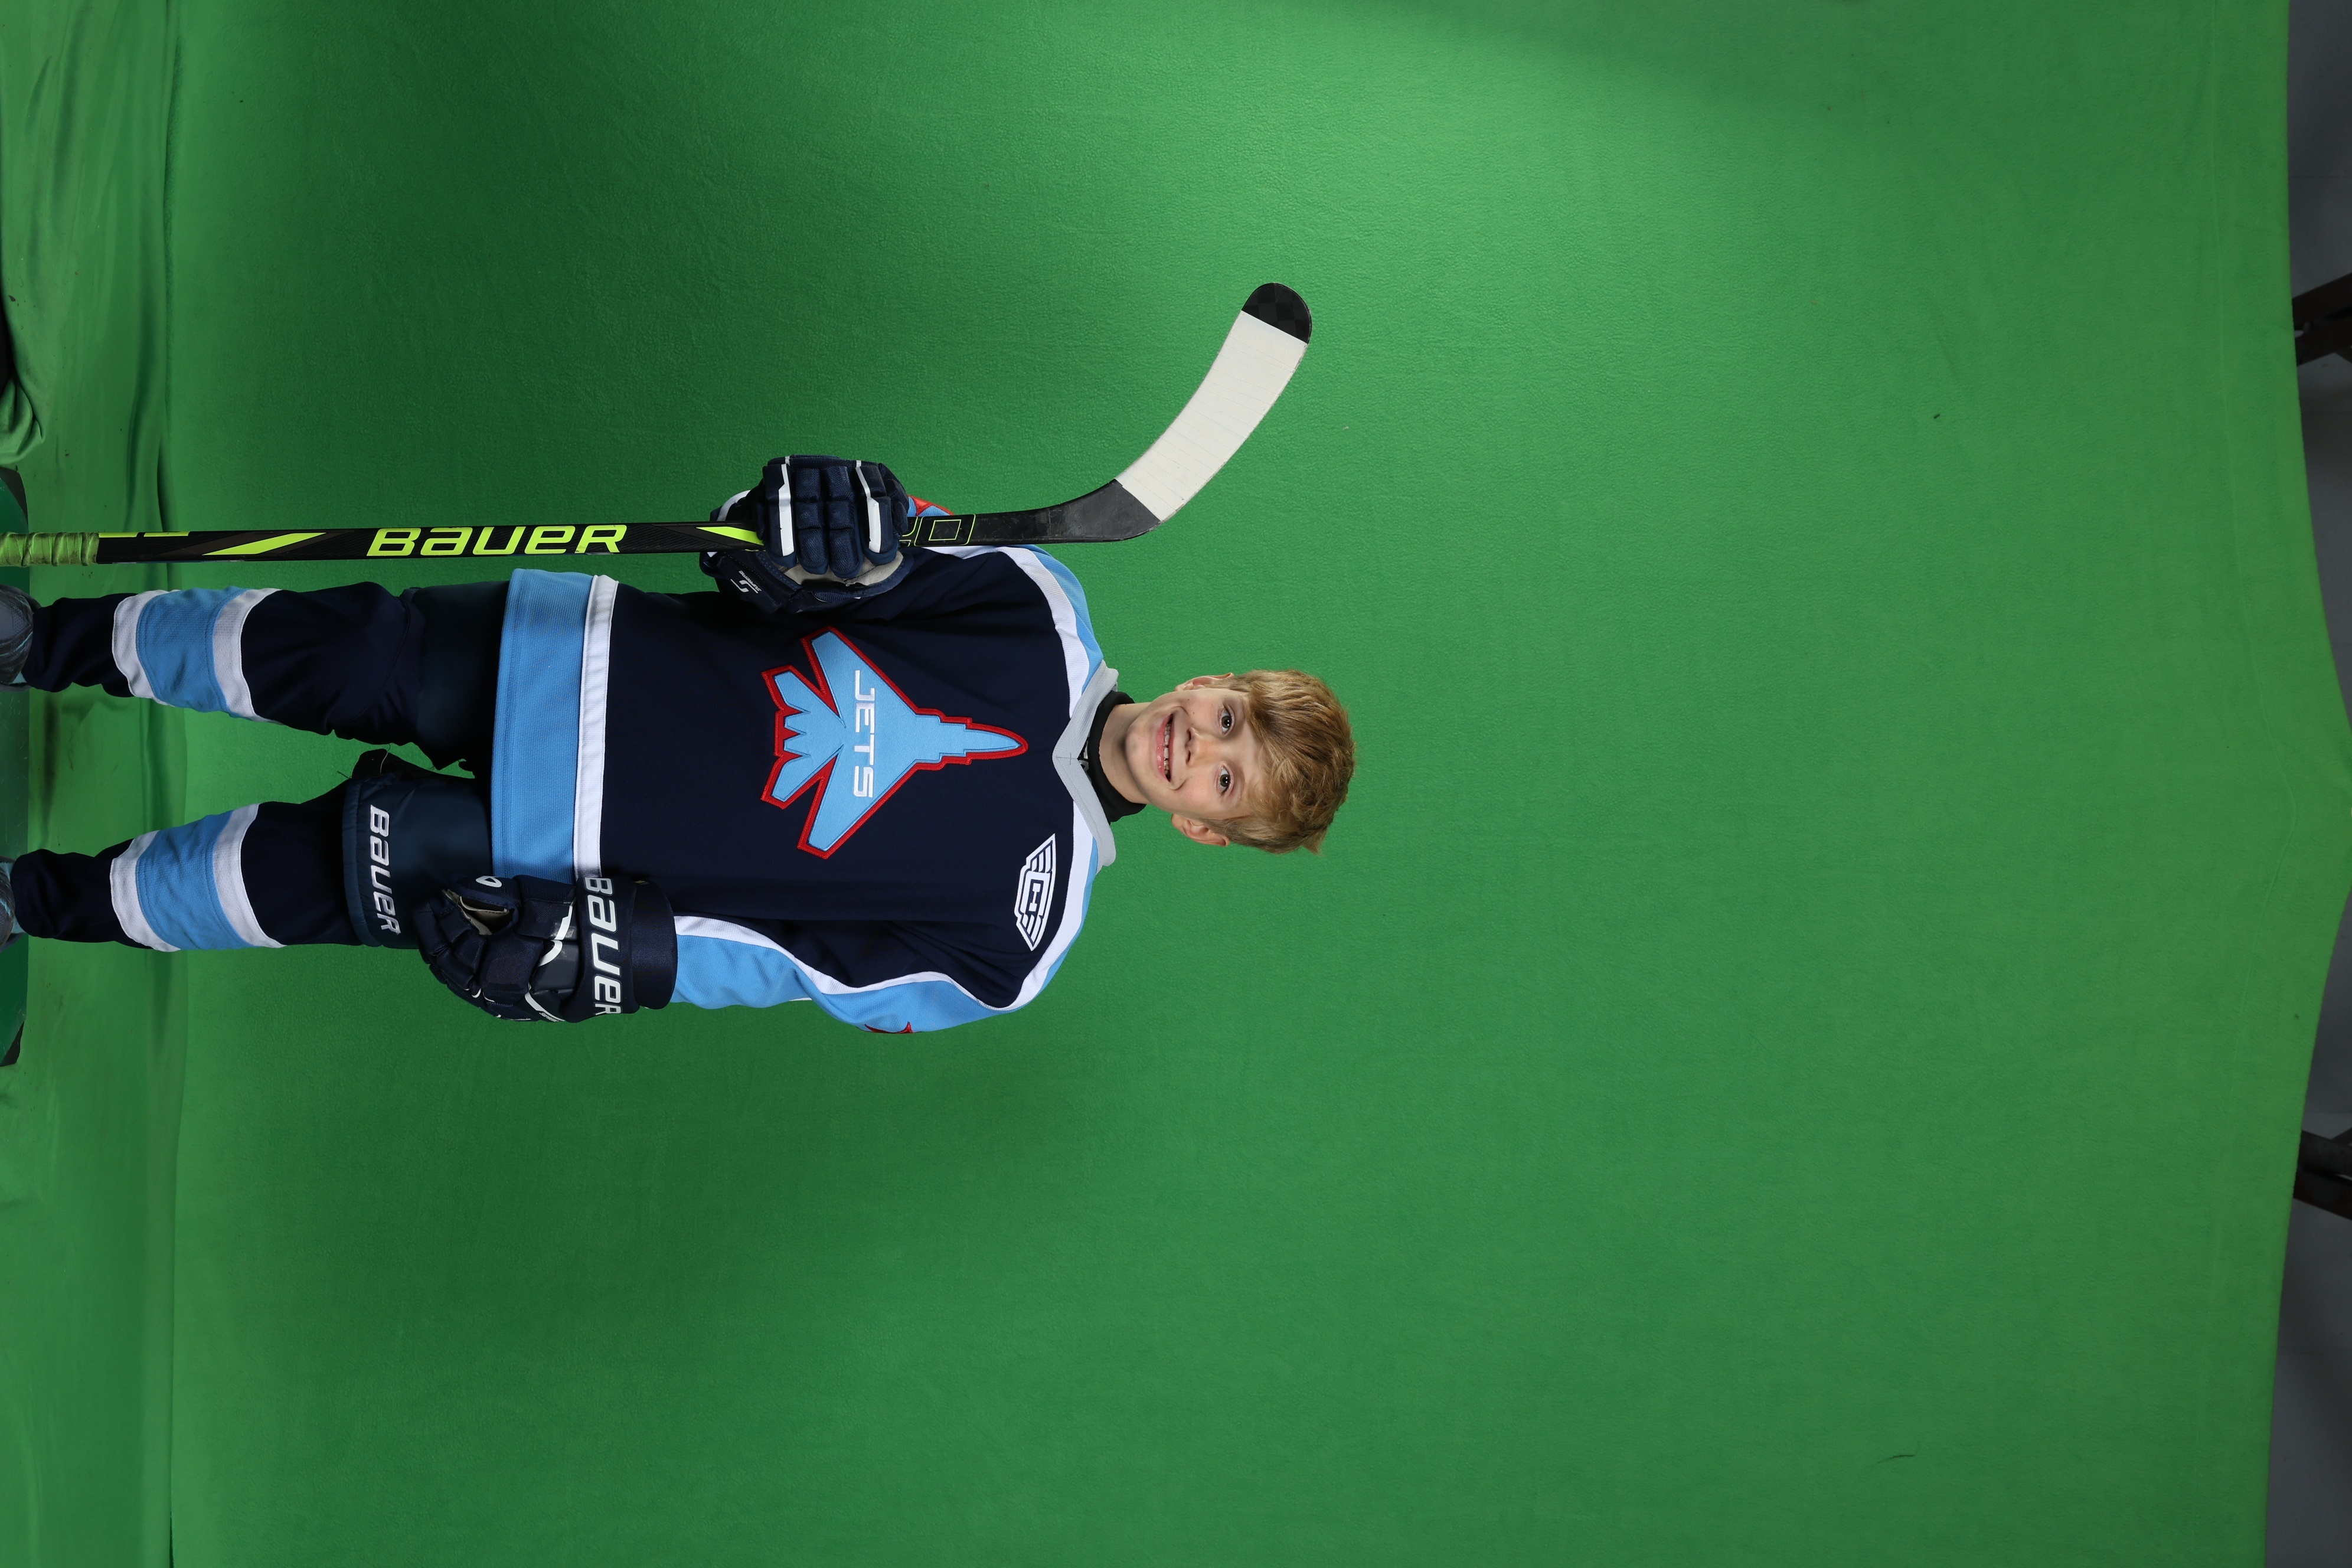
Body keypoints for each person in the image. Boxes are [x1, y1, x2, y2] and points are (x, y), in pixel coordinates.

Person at [0, 457, 1354, 1030]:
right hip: (575, 656)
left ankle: (27, 899)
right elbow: (796, 554)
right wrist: (807, 526)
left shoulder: (1020, 942)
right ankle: (38, 641)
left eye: (1225, 778)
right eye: (1227, 713)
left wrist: (628, 955)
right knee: (326, 646)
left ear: (1204, 826)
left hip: (567, 851)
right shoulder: (1031, 601)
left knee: (287, 880)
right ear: (1212, 679)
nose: (1198, 742)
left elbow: (795, 965)